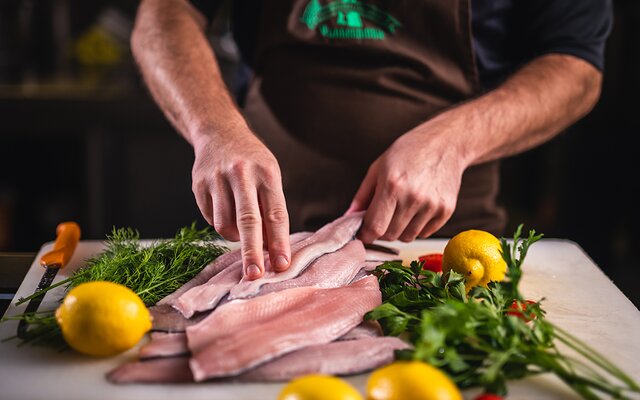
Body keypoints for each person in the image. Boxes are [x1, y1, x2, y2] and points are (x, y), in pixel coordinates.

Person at [130, 0, 612, 280]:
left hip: (438, 249)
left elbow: (575, 68)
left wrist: (453, 141)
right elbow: (164, 12)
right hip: (258, 238)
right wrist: (216, 131)